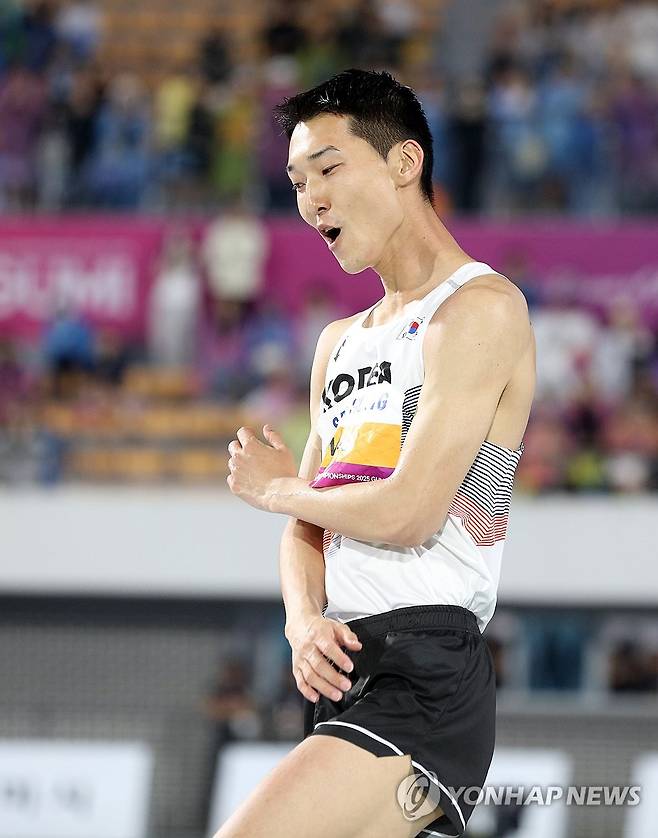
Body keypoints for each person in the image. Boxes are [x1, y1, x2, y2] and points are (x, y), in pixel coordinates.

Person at [219, 69, 535, 838]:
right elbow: (308, 527)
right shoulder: (338, 343)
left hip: (426, 673)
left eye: (328, 169)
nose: (311, 200)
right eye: (298, 183)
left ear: (404, 162)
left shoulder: (480, 309)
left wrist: (275, 490)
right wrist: (302, 623)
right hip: (341, 672)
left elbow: (409, 512)